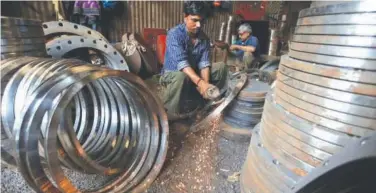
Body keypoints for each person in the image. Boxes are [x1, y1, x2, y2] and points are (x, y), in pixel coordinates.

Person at [160, 1, 227, 119]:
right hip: (172, 75)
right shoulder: (174, 34)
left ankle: (205, 102)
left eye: (201, 21)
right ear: (185, 17)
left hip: (194, 75)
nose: (199, 25)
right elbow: (182, 64)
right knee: (181, 76)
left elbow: (204, 64)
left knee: (221, 67)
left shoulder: (204, 38)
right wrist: (201, 83)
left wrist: (205, 85)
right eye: (195, 20)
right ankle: (169, 115)